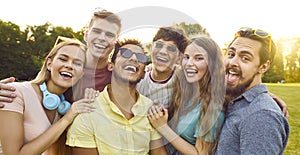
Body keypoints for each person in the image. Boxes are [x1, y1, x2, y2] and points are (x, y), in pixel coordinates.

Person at [66, 39, 167, 155]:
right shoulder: (87, 114)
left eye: (141, 58)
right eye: (125, 54)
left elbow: (159, 152)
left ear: (144, 73)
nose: (134, 59)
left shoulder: (151, 110)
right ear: (110, 66)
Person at [0, 39, 96, 155]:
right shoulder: (14, 92)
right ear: (49, 64)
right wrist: (67, 119)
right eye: (63, 59)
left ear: (82, 73)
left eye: (77, 63)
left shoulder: (65, 107)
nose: (69, 66)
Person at [214, 27, 290, 154]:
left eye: (245, 58)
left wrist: (265, 103)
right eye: (231, 54)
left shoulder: (262, 116)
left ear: (263, 67)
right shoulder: (233, 98)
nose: (232, 62)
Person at [148, 36, 226, 155]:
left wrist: (162, 127)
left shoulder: (213, 107)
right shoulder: (184, 91)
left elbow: (200, 153)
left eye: (198, 58)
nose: (189, 63)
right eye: (186, 57)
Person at [136, 26, 189, 108]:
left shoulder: (183, 81)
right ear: (151, 48)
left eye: (171, 49)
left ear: (179, 58)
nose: (163, 52)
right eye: (159, 45)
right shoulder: (137, 77)